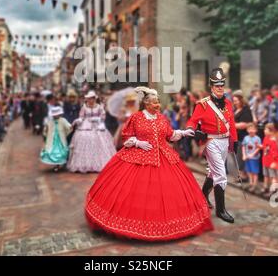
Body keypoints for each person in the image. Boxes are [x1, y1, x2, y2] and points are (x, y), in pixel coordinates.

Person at [85, 87, 213, 242]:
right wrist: (138, 142)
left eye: (158, 102)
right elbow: (126, 137)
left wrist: (184, 133)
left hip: (164, 155)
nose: (157, 105)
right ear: (146, 103)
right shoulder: (136, 118)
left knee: (167, 191)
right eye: (154, 102)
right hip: (139, 156)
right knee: (136, 191)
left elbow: (170, 135)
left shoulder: (161, 118)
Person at [186, 68, 238, 223]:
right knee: (221, 175)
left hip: (224, 141)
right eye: (217, 85)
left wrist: (234, 141)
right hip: (211, 142)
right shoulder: (202, 104)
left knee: (213, 173)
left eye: (222, 84)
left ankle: (203, 195)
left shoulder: (228, 103)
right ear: (211, 86)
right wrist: (192, 130)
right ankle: (221, 210)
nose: (220, 87)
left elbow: (231, 124)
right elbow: (192, 121)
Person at [67, 90, 116, 173]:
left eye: (92, 98)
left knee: (100, 142)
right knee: (84, 139)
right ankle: (84, 164)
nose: (90, 100)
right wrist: (76, 121)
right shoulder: (84, 107)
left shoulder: (99, 107)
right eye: (89, 99)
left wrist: (97, 119)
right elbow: (81, 117)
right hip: (85, 126)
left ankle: (99, 163)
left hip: (98, 126)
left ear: (95, 99)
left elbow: (103, 117)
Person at [40, 106, 72, 172]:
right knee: (52, 151)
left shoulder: (63, 120)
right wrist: (46, 131)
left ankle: (58, 165)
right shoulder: (50, 121)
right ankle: (56, 165)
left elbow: (69, 127)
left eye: (57, 114)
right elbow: (46, 130)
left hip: (61, 140)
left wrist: (68, 130)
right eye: (54, 115)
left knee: (61, 151)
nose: (55, 116)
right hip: (52, 140)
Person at [233, 92, 253, 181]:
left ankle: (244, 176)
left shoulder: (246, 110)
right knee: (237, 156)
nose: (235, 103)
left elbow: (245, 124)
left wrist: (231, 125)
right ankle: (241, 175)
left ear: (241, 100)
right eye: (234, 101)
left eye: (236, 101)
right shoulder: (235, 110)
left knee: (241, 157)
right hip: (236, 136)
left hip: (243, 137)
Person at [242, 123, 261, 193]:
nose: (251, 130)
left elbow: (259, 148)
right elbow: (243, 146)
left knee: (254, 172)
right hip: (247, 157)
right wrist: (244, 155)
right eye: (249, 129)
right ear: (247, 130)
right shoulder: (246, 138)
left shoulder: (257, 138)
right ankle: (250, 183)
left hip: (254, 158)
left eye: (253, 129)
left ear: (256, 130)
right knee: (249, 171)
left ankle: (254, 184)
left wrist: (253, 154)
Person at [260, 123, 276, 196]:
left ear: (272, 131)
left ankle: (272, 191)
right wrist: (259, 146)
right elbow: (264, 147)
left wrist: (274, 161)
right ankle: (265, 187)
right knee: (265, 175)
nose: (264, 131)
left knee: (273, 177)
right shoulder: (265, 138)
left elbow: (275, 152)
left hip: (272, 163)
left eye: (266, 129)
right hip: (265, 161)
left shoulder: (274, 141)